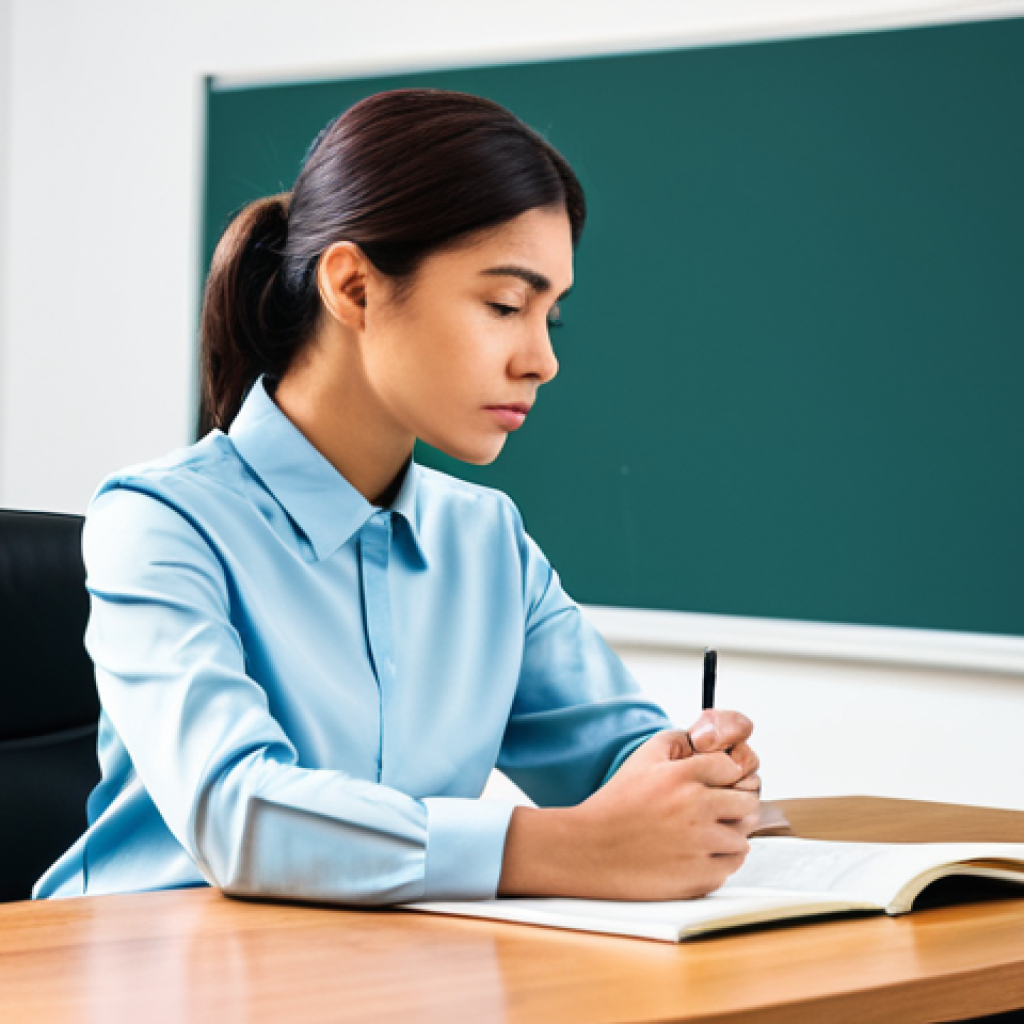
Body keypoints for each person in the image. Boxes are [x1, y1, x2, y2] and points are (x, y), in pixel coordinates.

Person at [36, 89, 759, 904]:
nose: (541, 360)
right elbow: (237, 814)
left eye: (551, 318)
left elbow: (614, 763)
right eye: (505, 306)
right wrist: (565, 849)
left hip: (384, 974)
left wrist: (692, 775)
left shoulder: (485, 539)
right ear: (353, 289)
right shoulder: (159, 522)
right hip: (134, 979)